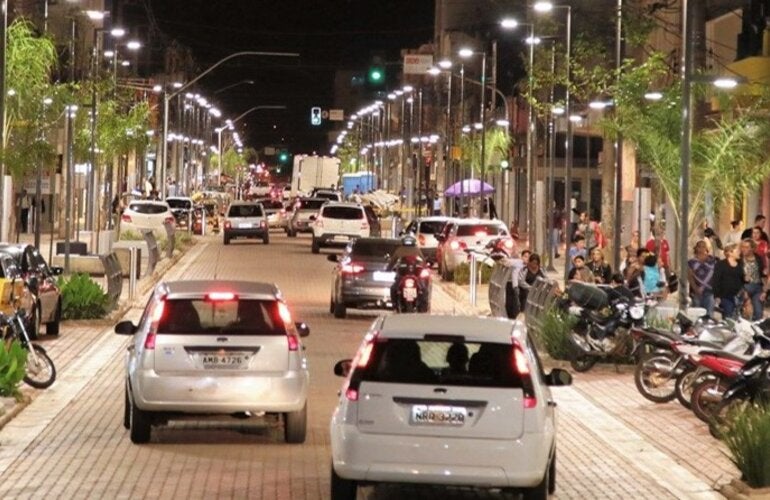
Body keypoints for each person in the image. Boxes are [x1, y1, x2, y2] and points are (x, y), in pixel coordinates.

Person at [713, 243, 745, 319]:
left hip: (738, 296)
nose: (739, 252)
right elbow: (716, 280)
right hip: (725, 296)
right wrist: (717, 296)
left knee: (737, 317)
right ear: (730, 252)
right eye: (737, 251)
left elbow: (742, 280)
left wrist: (745, 279)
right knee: (728, 316)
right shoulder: (720, 264)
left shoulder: (740, 264)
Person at [739, 238, 767, 321]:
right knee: (745, 313)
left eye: (747, 247)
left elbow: (763, 275)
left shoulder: (758, 258)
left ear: (752, 248)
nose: (744, 249)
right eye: (743, 247)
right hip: (744, 287)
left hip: (758, 287)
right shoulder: (739, 259)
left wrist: (765, 291)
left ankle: (756, 331)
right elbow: (735, 276)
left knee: (759, 313)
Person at [688, 241, 716, 317]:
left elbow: (716, 276)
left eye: (703, 246)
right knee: (696, 315)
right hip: (697, 292)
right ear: (696, 248)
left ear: (707, 248)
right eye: (699, 246)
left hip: (710, 292)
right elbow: (690, 277)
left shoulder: (712, 260)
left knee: (709, 315)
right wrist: (695, 288)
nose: (701, 249)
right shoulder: (691, 262)